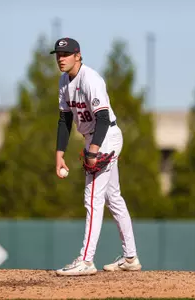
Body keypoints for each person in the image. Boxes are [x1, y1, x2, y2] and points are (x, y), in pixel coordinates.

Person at [51, 37, 142, 276]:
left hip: (106, 136)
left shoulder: (91, 79)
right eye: (58, 54)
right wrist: (59, 154)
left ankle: (86, 260)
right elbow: (65, 120)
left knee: (92, 198)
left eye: (66, 54)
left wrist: (93, 151)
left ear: (78, 55)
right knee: (113, 198)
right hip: (93, 138)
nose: (61, 58)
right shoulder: (63, 81)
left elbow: (102, 118)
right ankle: (130, 257)